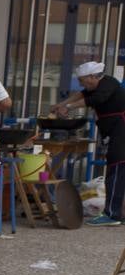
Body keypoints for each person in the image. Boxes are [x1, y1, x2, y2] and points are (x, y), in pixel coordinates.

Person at [52, 60, 125, 226]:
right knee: (119, 171)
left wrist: (68, 107)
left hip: (121, 130)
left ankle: (112, 215)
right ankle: (119, 212)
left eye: (82, 80)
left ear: (93, 77)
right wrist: (61, 104)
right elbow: (83, 94)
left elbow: (96, 99)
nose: (80, 84)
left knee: (117, 170)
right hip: (115, 130)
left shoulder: (108, 83)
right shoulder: (96, 86)